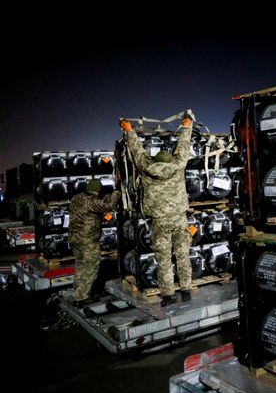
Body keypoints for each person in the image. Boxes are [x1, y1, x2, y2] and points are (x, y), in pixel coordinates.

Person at [120, 114, 194, 306]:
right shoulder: (178, 166)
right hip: (179, 219)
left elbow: (137, 151)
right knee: (183, 254)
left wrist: (128, 130)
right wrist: (186, 125)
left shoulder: (147, 167)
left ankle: (168, 295)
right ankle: (186, 290)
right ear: (171, 160)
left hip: (160, 221)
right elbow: (183, 147)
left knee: (163, 259)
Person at [68, 179, 121, 307]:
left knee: (81, 265)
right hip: (87, 241)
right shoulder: (90, 201)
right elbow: (107, 205)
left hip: (75, 239)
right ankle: (82, 297)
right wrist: (116, 193)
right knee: (91, 267)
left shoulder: (77, 198)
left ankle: (78, 290)